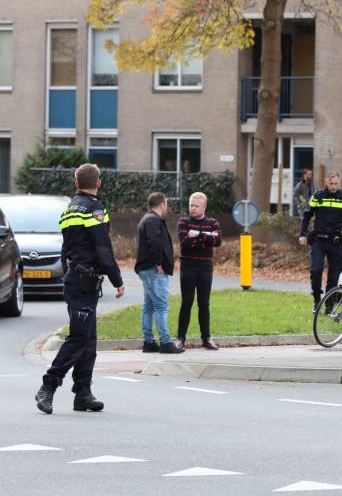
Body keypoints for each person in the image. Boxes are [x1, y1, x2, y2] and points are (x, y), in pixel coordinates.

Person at [36, 163, 125, 415]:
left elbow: (66, 248)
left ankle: (83, 393)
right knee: (79, 337)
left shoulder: (69, 209)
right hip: (84, 281)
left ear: (77, 183)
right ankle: (48, 385)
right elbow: (102, 247)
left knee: (89, 338)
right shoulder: (94, 209)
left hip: (77, 280)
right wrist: (117, 279)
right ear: (99, 183)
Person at [299, 172, 342, 312]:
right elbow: (307, 215)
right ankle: (316, 301)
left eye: (336, 184)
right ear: (327, 182)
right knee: (316, 270)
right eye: (331, 184)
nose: (334, 186)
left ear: (339, 183)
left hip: (336, 241)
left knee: (334, 275)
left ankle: (329, 305)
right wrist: (302, 234)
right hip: (319, 240)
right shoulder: (318, 196)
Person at [135, 192, 183, 354]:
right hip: (153, 270)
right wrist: (159, 263)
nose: (167, 207)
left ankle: (149, 342)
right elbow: (155, 242)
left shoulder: (148, 219)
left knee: (149, 306)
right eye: (166, 204)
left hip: (147, 269)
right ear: (162, 205)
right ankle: (165, 342)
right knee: (161, 306)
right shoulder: (153, 221)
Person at [175, 192, 222, 350]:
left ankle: (206, 338)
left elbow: (218, 241)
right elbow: (185, 242)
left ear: (204, 206)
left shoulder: (212, 222)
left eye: (196, 206)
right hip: (188, 267)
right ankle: (180, 338)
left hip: (205, 268)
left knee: (204, 303)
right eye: (191, 205)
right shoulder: (183, 222)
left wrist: (198, 235)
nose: (192, 208)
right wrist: (207, 238)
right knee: (186, 303)